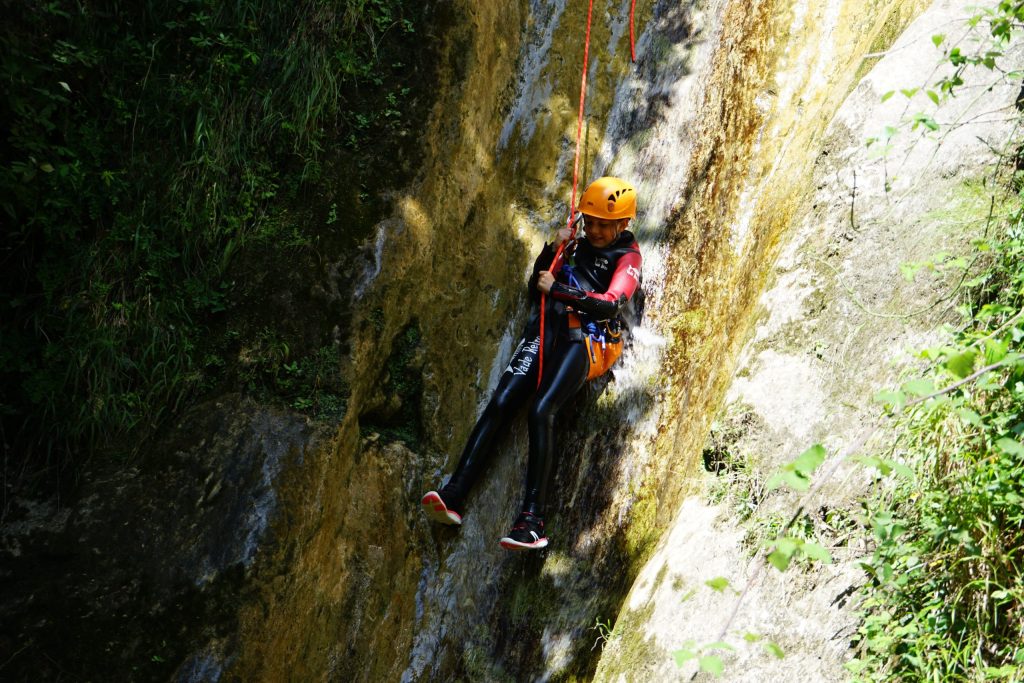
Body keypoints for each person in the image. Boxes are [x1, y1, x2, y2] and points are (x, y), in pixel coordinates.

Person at [421, 177, 643, 550]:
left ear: (624, 224)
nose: (597, 230)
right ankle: (455, 494)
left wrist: (558, 289)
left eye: (605, 224)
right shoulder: (575, 242)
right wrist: (553, 249)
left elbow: (610, 303)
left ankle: (532, 521)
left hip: (585, 338)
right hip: (547, 327)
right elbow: (534, 285)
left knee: (541, 410)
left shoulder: (628, 258)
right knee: (503, 400)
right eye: (591, 221)